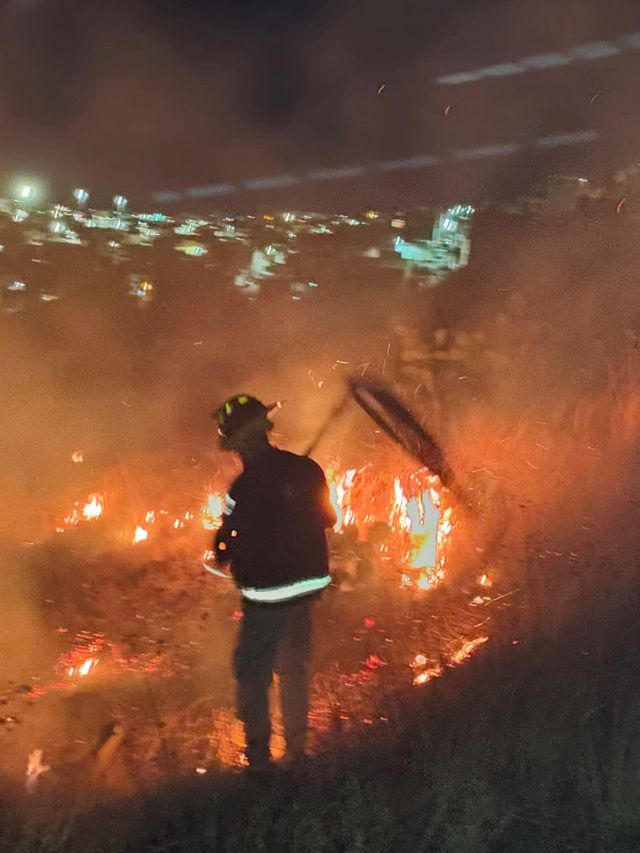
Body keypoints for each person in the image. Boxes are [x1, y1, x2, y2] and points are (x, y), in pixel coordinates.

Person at [211, 394, 336, 773]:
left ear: (237, 443)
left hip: (266, 594)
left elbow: (224, 545)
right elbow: (327, 519)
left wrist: (227, 544)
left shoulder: (241, 490)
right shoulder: (306, 470)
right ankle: (297, 752)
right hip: (305, 587)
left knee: (252, 672)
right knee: (294, 667)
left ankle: (260, 761)